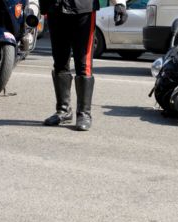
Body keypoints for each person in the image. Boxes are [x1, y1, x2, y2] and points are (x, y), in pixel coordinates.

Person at [40, 0, 127, 131]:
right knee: (60, 62)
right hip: (55, 7)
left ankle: (84, 113)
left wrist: (119, 3)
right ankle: (63, 110)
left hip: (83, 8)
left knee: (83, 63)